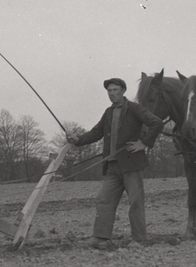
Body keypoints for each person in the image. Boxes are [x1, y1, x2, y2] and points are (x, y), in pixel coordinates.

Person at [68, 77, 164, 248]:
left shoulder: (135, 109)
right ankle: (100, 238)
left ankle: (139, 239)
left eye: (115, 90)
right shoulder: (108, 112)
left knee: (135, 202)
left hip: (132, 165)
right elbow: (96, 133)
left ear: (123, 91)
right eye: (109, 91)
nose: (112, 94)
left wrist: (144, 143)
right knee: (104, 199)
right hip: (112, 166)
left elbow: (156, 123)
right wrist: (78, 139)